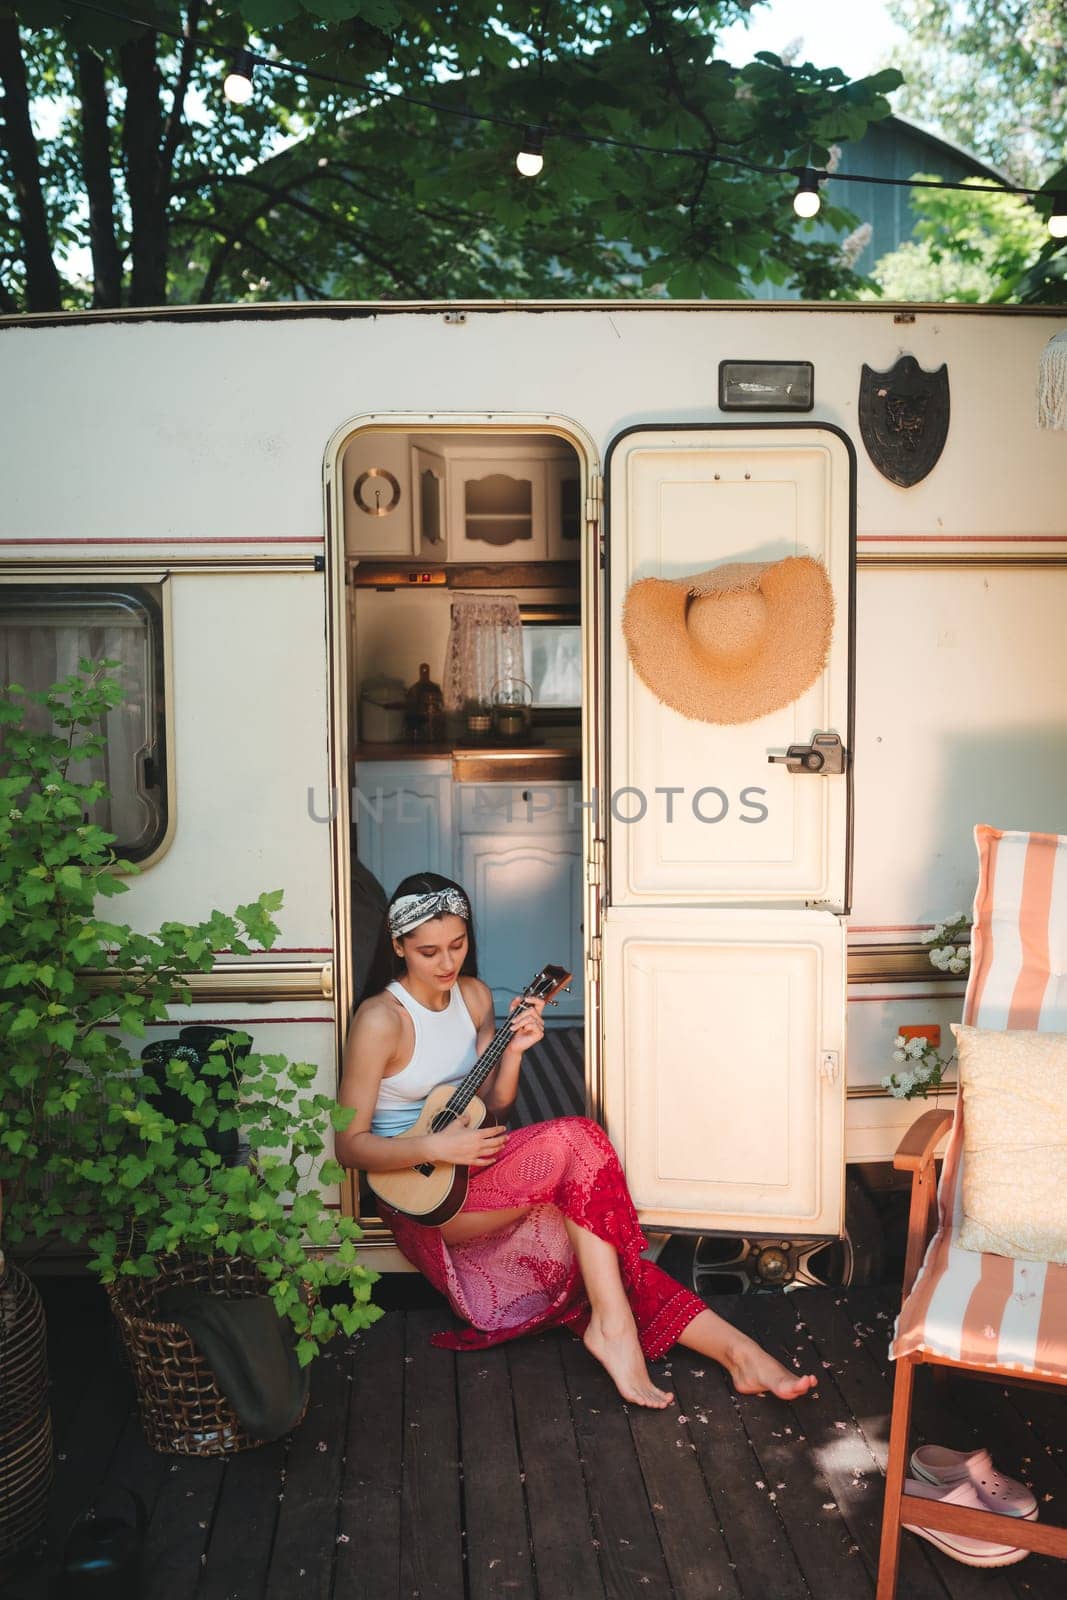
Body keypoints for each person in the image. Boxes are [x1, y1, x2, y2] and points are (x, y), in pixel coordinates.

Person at [337, 871, 817, 1410]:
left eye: (458, 945)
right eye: (428, 952)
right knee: (581, 1143)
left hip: (471, 1170)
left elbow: (492, 1106)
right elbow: (349, 1147)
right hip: (420, 1194)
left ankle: (737, 1351)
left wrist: (513, 1052)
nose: (447, 964)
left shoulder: (471, 997)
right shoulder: (381, 1019)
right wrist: (433, 1148)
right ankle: (624, 1333)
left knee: (599, 1244)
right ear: (398, 946)